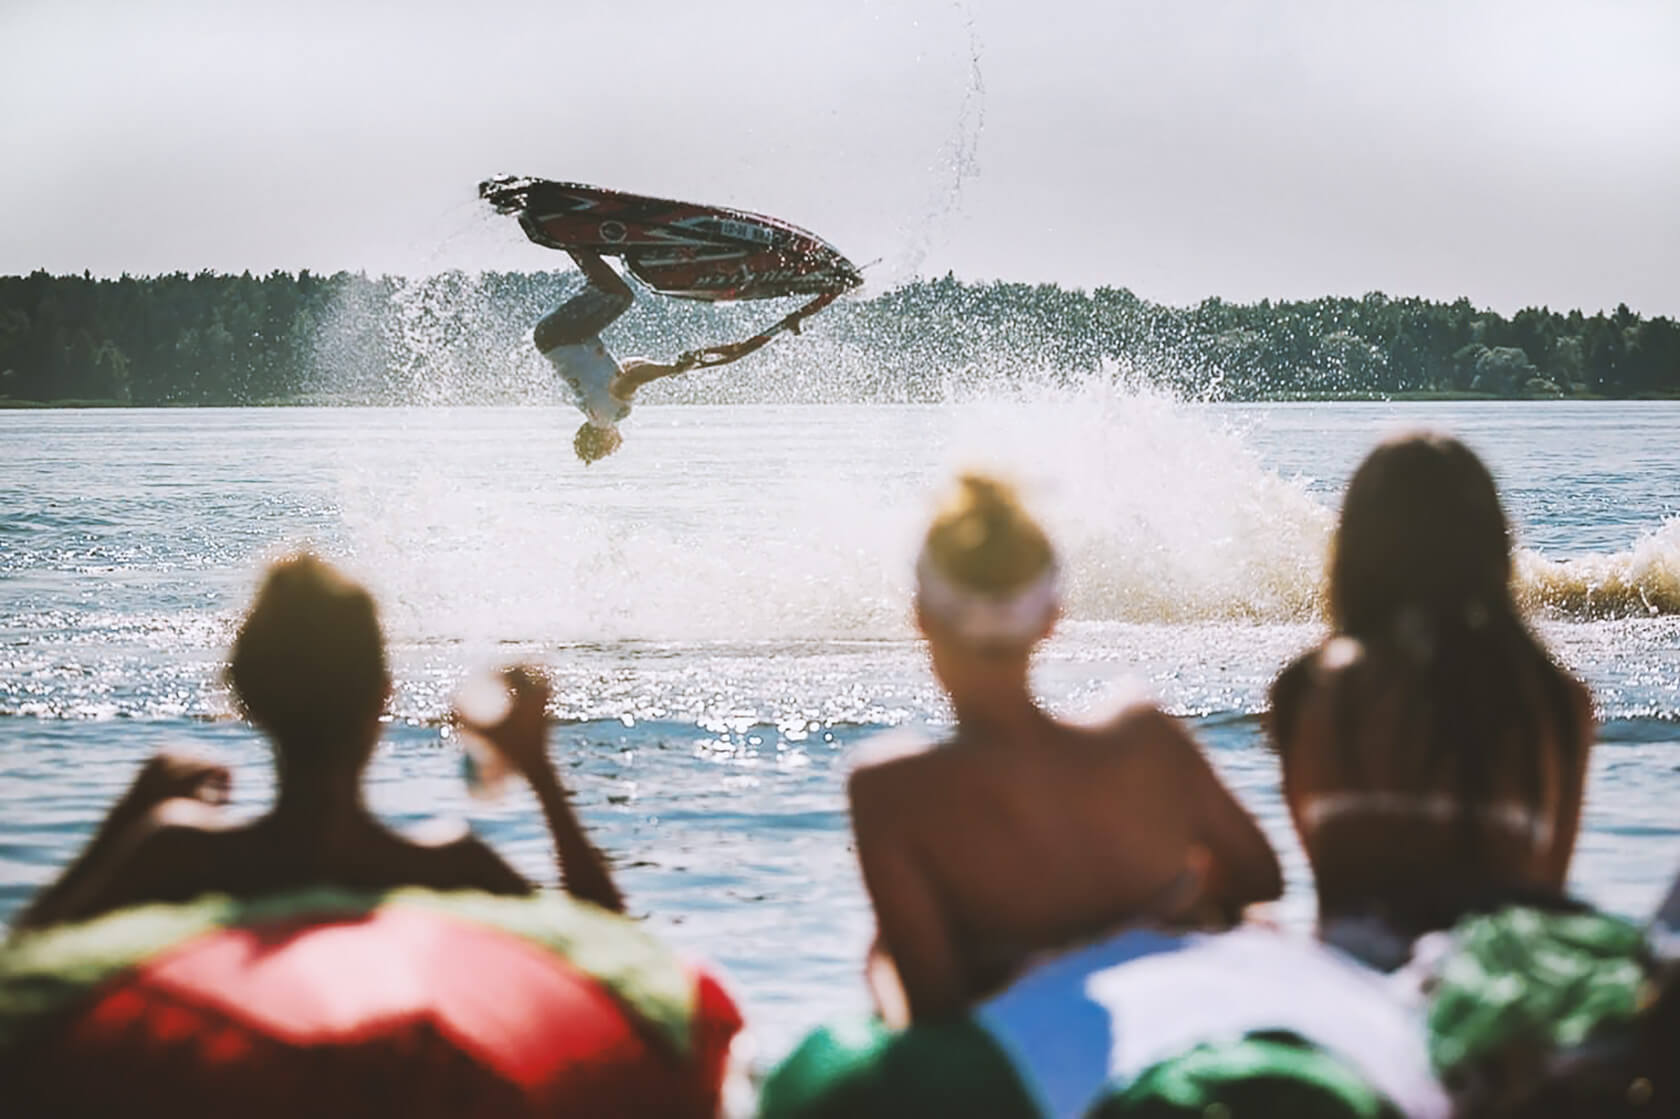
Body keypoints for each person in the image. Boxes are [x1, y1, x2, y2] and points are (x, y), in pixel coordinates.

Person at [848, 473, 1283, 1024]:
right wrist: (1159, 911)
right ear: (1052, 617)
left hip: (1034, 1068)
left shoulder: (892, 790)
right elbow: (1260, 876)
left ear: (922, 617)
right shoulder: (1145, 736)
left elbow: (934, 1004)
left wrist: (883, 969)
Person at [12, 552, 622, 933]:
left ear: (245, 696)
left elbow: (31, 972)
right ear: (385, 696)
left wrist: (128, 815)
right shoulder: (450, 866)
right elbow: (617, 965)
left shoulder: (177, 852)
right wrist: (537, 770)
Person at [1268, 432, 1594, 964]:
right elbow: (1545, 893)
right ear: (1490, 542)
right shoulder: (1554, 696)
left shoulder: (1310, 689)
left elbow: (1330, 885)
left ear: (1356, 546)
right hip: (1489, 984)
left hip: (1357, 980)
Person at [535, 248, 829, 464]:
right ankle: (579, 247)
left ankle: (574, 241)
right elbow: (624, 370)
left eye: (608, 452)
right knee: (610, 293)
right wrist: (672, 367)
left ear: (601, 442)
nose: (617, 448)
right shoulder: (591, 413)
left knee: (619, 295)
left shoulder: (615, 414)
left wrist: (672, 370)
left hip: (565, 334)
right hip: (551, 338)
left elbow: (631, 378)